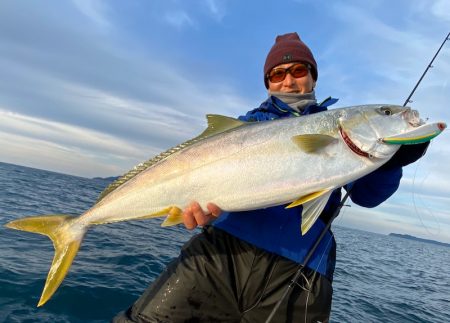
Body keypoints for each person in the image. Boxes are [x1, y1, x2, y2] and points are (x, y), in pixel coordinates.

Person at [113, 32, 428, 323]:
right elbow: (209, 186)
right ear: (268, 83)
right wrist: (198, 211)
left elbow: (367, 196)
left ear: (313, 76)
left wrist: (392, 161)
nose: (288, 81)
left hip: (299, 273)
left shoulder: (337, 131)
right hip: (220, 256)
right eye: (278, 74)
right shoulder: (244, 126)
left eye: (298, 71)